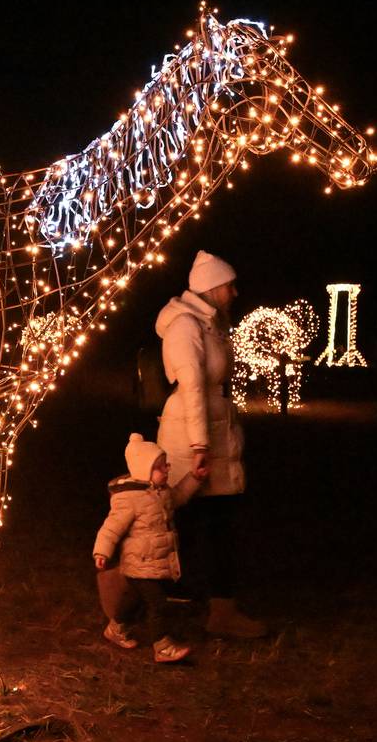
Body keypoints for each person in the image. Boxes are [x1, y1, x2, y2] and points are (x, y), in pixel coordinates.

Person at [154, 250, 267, 638]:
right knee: (192, 523)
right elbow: (192, 387)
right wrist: (200, 446)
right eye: (229, 285)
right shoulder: (186, 326)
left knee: (207, 523)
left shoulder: (209, 325)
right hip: (192, 438)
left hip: (210, 433)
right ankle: (142, 599)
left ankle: (197, 603)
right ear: (212, 287)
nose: (235, 292)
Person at [93, 433, 205, 662]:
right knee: (158, 603)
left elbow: (178, 496)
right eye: (160, 467)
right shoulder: (129, 499)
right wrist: (102, 551)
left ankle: (116, 629)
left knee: (134, 598)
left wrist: (194, 478)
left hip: (153, 562)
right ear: (144, 470)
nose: (166, 470)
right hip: (140, 561)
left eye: (166, 465)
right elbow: (111, 527)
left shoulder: (161, 492)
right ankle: (162, 646)